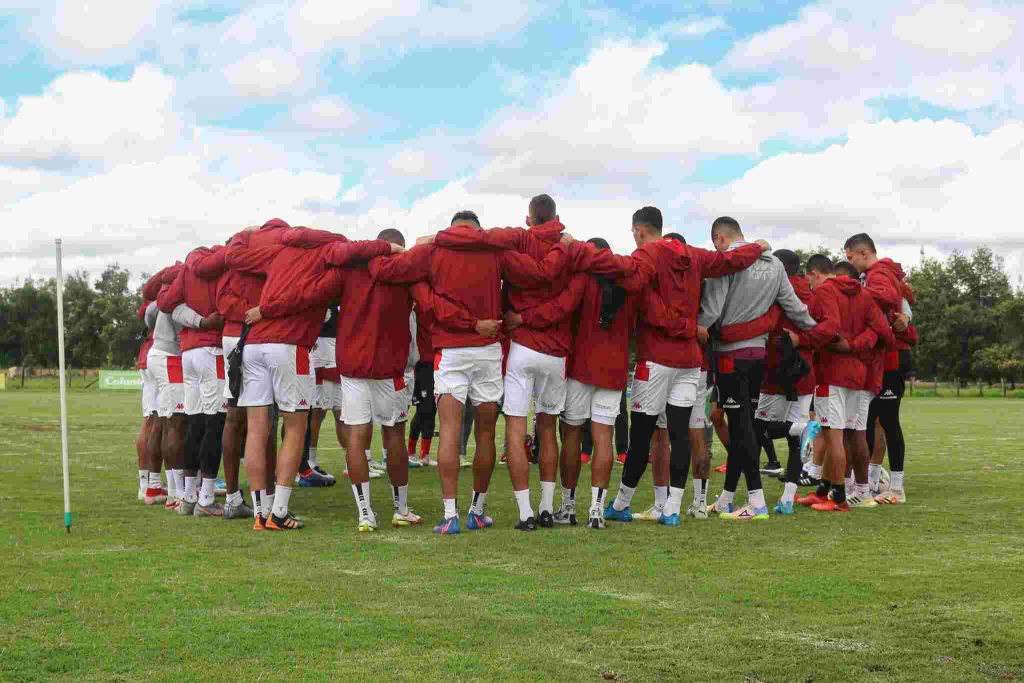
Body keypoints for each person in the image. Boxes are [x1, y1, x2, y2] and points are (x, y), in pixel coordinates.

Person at [543, 207, 768, 525]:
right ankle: (673, 509)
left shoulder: (647, 255)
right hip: (690, 361)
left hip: (657, 359)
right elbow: (729, 261)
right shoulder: (695, 254)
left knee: (643, 435)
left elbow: (618, 269)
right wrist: (757, 247)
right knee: (680, 434)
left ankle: (620, 504)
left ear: (638, 230)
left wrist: (574, 245)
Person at [368, 210, 559, 533]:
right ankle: (476, 510)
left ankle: (449, 515)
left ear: (453, 227)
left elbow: (385, 270)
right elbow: (538, 275)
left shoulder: (433, 249)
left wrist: (395, 259)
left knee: (451, 430)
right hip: (487, 350)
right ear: (477, 229)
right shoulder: (495, 249)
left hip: (451, 352)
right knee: (485, 434)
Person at [226, 219, 394, 531]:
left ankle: (259, 514)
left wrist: (243, 234)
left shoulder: (280, 252)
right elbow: (307, 294)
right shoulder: (330, 260)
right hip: (290, 346)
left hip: (254, 345)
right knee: (296, 427)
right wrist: (388, 247)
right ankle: (278, 512)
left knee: (256, 430)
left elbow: (234, 258)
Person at [283, 227, 421, 531]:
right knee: (394, 434)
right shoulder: (407, 272)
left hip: (353, 364)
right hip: (391, 367)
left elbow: (309, 292)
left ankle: (365, 514)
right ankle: (400, 509)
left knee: (357, 436)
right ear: (399, 247)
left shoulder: (349, 272)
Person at [700, 217, 818, 521]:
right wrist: (817, 331)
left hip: (730, 356)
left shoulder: (725, 261)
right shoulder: (774, 264)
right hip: (758, 354)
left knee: (742, 430)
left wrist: (694, 327)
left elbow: (712, 309)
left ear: (719, 237)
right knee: (747, 427)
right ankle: (728, 499)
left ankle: (756, 502)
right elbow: (794, 307)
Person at [795, 256, 892, 511]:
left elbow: (825, 328)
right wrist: (857, 345)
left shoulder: (827, 292)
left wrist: (799, 341)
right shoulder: (864, 295)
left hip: (832, 372)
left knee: (833, 435)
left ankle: (838, 497)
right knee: (851, 433)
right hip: (859, 375)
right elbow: (885, 333)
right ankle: (833, 489)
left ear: (818, 274)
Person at [157, 245, 229, 517]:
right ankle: (207, 498)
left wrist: (196, 320)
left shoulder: (187, 270)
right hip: (212, 350)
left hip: (188, 352)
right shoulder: (224, 264)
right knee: (215, 422)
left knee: (195, 422)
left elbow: (167, 304)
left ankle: (189, 496)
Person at [844, 233, 914, 504]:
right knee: (871, 419)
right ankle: (869, 482)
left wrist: (853, 290)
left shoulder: (878, 274)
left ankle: (896, 488)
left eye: (850, 256)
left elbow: (889, 297)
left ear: (863, 253)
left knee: (887, 420)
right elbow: (901, 301)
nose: (849, 261)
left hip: (891, 357)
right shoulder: (875, 274)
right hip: (882, 358)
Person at [302, 304, 342, 486]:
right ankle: (309, 461)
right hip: (321, 344)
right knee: (316, 408)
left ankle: (354, 461)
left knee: (337, 406)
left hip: (334, 343)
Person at [137, 299, 167, 506]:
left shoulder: (154, 293)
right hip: (159, 353)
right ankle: (149, 486)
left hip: (148, 354)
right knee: (156, 421)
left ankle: (145, 484)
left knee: (151, 420)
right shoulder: (166, 291)